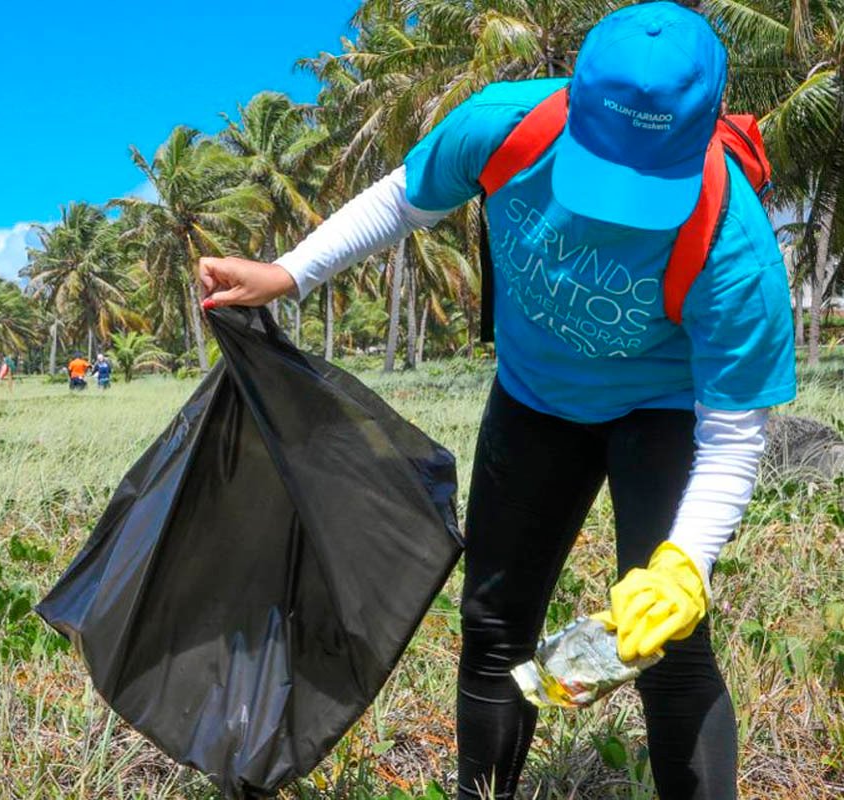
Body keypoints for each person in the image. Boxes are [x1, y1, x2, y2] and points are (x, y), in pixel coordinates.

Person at [197, 4, 795, 798]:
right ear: (574, 104)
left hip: (662, 411)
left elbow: (732, 438)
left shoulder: (737, 252)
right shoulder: (505, 128)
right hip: (535, 399)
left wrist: (684, 566)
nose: (616, 205)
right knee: (493, 626)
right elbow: (407, 196)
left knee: (671, 651)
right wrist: (291, 273)